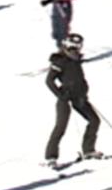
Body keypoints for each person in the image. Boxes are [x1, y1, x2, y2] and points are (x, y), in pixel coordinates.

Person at [44, 33, 103, 167]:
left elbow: (77, 78)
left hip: (79, 97)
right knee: (61, 126)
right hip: (65, 98)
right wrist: (61, 95)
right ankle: (51, 157)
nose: (75, 49)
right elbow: (49, 81)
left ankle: (88, 150)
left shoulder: (76, 60)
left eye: (78, 46)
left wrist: (84, 91)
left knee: (94, 120)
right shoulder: (60, 60)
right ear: (66, 44)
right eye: (73, 45)